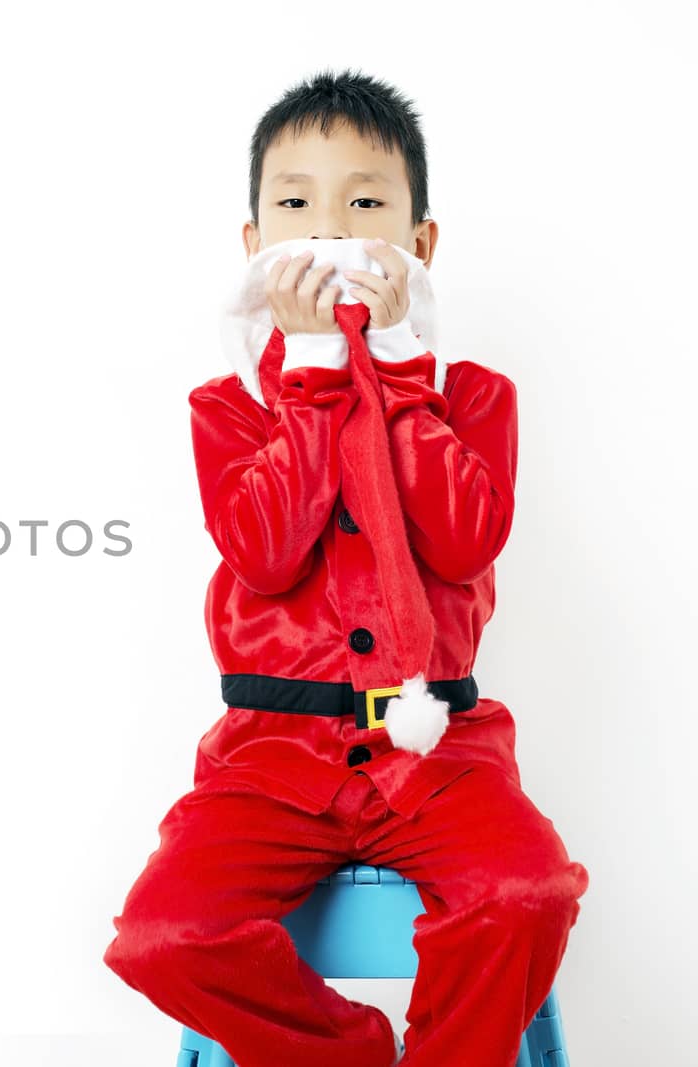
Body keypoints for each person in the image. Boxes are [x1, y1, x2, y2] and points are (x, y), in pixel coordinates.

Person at [101, 68, 590, 1067]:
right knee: (161, 935)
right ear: (253, 247)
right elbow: (266, 552)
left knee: (525, 892)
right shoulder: (229, 406)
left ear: (418, 244)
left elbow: (459, 541)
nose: (328, 230)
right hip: (268, 758)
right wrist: (316, 372)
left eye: (363, 202)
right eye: (295, 204)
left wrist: (398, 370)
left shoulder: (470, 395)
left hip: (437, 750)